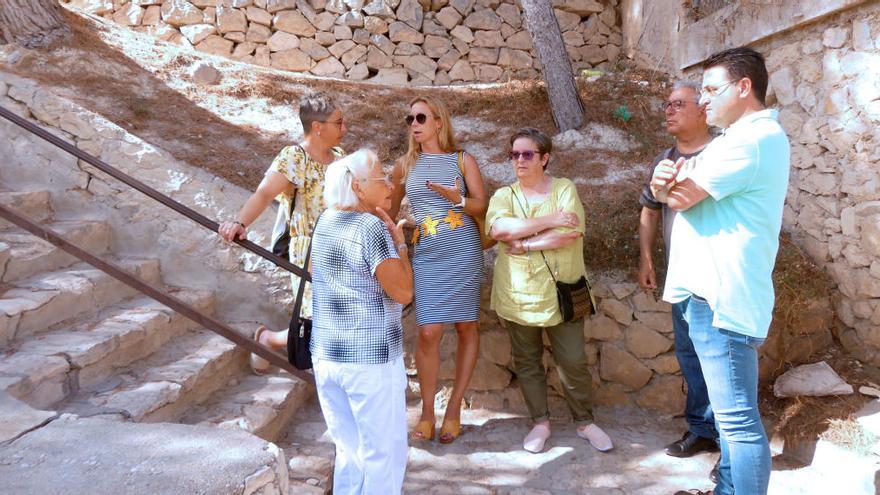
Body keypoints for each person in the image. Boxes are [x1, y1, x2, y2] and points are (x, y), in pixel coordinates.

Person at [652, 47, 790, 495]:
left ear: (744, 87)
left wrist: (665, 185)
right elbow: (671, 187)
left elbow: (680, 196)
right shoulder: (736, 139)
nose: (703, 100)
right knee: (732, 424)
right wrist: (664, 185)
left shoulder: (752, 140)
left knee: (738, 424)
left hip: (721, 298)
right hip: (709, 294)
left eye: (712, 90)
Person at [486, 127, 613, 454]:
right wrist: (551, 219)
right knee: (527, 361)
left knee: (572, 360)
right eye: (514, 154)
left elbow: (570, 233)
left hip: (563, 292)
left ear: (545, 158)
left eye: (527, 154)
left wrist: (524, 242)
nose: (520, 160)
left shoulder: (564, 188)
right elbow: (499, 228)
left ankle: (584, 422)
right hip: (518, 295)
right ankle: (540, 423)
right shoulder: (504, 196)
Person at [218, 92, 346, 374]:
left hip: (341, 248)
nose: (344, 129)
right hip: (310, 251)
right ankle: (271, 341)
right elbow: (264, 194)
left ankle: (271, 340)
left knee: (337, 318)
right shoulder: (294, 157)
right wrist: (240, 222)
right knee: (318, 320)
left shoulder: (340, 157)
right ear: (318, 127)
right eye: (338, 122)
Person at [310, 149, 413, 495]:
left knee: (349, 453)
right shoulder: (371, 228)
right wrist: (400, 245)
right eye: (381, 178)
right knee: (384, 454)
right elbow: (402, 292)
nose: (389, 184)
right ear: (356, 186)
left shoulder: (325, 221)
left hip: (328, 356)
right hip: (369, 362)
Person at [389, 96, 487, 444]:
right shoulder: (404, 165)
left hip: (463, 251)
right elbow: (387, 208)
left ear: (438, 122)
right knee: (428, 332)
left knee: (465, 325)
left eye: (420, 117)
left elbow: (481, 204)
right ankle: (427, 411)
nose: (414, 124)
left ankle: (455, 408)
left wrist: (455, 198)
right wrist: (395, 231)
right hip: (428, 254)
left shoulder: (463, 160)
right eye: (409, 118)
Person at [638, 81, 719, 476]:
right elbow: (651, 210)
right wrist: (646, 258)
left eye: (678, 104)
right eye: (666, 104)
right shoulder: (665, 158)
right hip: (682, 277)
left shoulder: (723, 152)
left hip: (719, 278)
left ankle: (729, 441)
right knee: (690, 356)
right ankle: (703, 429)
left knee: (722, 360)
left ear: (703, 108)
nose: (669, 110)